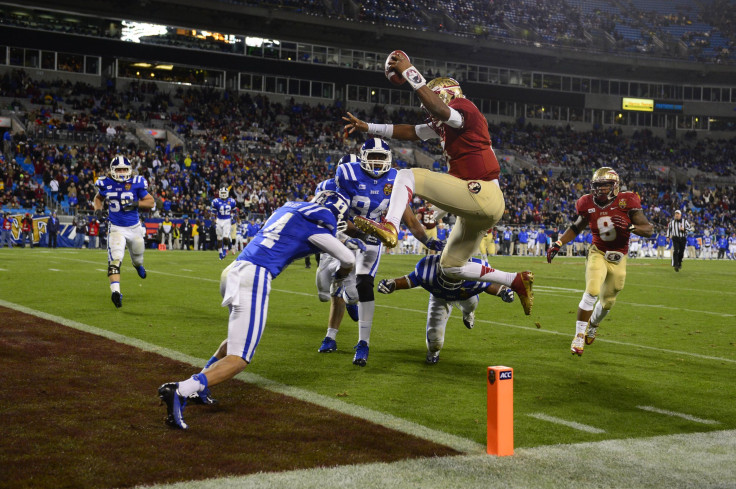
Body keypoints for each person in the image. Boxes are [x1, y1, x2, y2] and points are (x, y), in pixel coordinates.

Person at [344, 54, 533, 315]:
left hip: (481, 191)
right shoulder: (448, 122)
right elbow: (412, 131)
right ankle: (514, 280)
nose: (426, 107)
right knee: (451, 266)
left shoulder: (464, 108)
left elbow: (439, 110)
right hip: (481, 205)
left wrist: (410, 72)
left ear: (445, 94)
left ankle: (390, 225)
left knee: (406, 175)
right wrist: (369, 127)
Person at [157, 190, 357, 430]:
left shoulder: (290, 207)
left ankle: (199, 388)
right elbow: (348, 259)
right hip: (255, 276)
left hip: (234, 269)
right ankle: (181, 389)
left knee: (234, 341)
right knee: (240, 359)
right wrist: (342, 273)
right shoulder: (319, 223)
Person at [321, 141, 443, 366]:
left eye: (380, 156)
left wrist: (428, 240)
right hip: (347, 236)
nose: (377, 161)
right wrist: (359, 231)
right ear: (364, 156)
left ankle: (363, 343)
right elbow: (338, 215)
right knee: (334, 282)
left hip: (373, 239)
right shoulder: (348, 174)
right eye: (373, 156)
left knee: (364, 284)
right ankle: (334, 329)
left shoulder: (395, 178)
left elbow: (409, 218)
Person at [546, 167, 653, 356]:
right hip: (598, 251)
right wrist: (559, 241)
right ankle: (579, 335)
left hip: (619, 256)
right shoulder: (586, 203)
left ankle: (593, 324)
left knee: (608, 301)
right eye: (598, 185)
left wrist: (631, 227)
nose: (601, 189)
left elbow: (648, 229)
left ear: (615, 186)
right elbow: (577, 226)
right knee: (592, 290)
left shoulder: (627, 200)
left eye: (606, 185)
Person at [378, 254, 515, 364]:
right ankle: (433, 352)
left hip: (466, 295)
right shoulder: (428, 268)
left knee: (471, 304)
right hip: (440, 297)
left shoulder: (476, 270)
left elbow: (489, 284)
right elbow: (410, 280)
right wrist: (393, 284)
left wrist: (503, 291)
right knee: (435, 342)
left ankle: (468, 313)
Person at [93, 155, 155, 308]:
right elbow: (98, 198)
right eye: (118, 169)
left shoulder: (137, 182)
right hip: (116, 228)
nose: (121, 172)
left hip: (134, 228)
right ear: (112, 170)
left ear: (129, 170)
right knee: (115, 260)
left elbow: (151, 201)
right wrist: (98, 210)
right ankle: (115, 292)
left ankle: (137, 265)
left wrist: (136, 203)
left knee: (138, 257)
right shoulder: (105, 183)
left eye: (124, 169)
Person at [212, 187, 237, 260]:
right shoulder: (216, 201)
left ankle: (224, 249)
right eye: (222, 193)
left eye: (224, 193)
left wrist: (234, 218)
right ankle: (220, 253)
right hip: (219, 220)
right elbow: (213, 212)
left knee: (225, 238)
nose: (223, 194)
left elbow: (235, 212)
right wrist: (213, 220)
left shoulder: (231, 201)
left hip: (227, 220)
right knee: (219, 238)